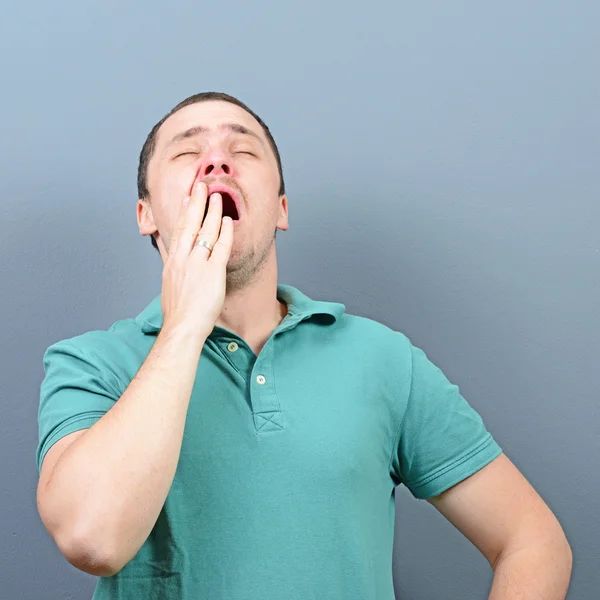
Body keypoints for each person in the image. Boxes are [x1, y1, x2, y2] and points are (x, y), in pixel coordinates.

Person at [36, 92, 572, 600]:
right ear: (146, 215)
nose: (217, 163)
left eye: (243, 150)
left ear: (281, 210)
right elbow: (92, 539)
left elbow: (533, 541)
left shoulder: (382, 359)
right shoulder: (90, 365)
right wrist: (184, 327)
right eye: (188, 151)